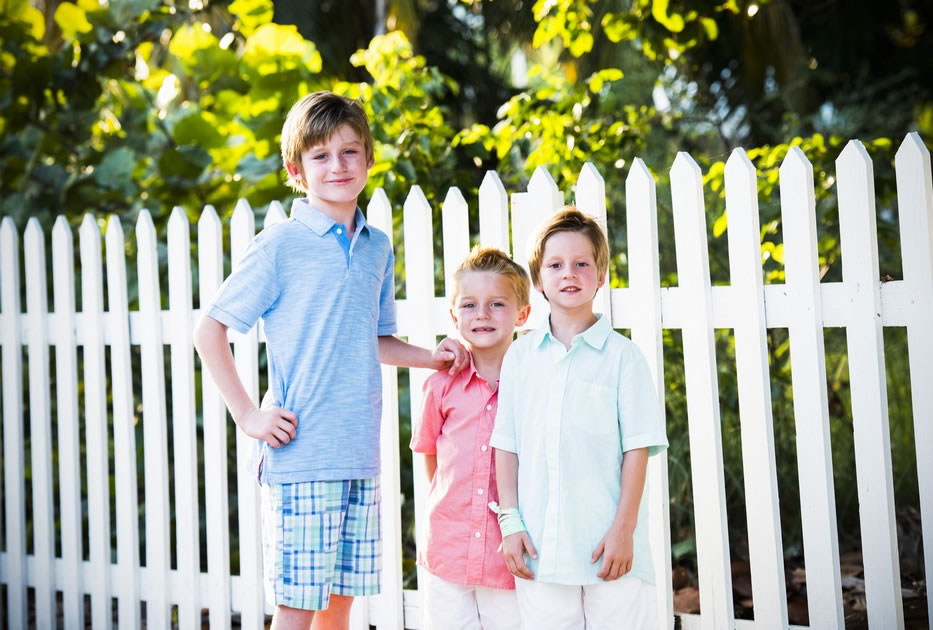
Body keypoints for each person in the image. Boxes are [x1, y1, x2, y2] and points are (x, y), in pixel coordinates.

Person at [193, 91, 468, 630]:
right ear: (297, 169)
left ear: (368, 159)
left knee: (339, 607)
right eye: (320, 156)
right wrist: (249, 416)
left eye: (349, 153)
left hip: (359, 454)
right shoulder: (281, 245)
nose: (337, 166)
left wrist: (430, 360)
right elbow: (209, 331)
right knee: (297, 609)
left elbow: (375, 339)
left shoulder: (376, 247)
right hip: (303, 457)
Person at [490, 207, 668, 629]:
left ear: (601, 274)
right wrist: (510, 522)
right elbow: (507, 444)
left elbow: (637, 450)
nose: (569, 273)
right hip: (541, 552)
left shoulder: (624, 358)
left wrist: (623, 530)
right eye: (555, 265)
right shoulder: (519, 357)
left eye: (582, 263)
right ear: (538, 280)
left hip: (610, 548)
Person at [410, 248, 532, 630]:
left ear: (522, 314)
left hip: (508, 556)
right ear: (453, 316)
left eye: (497, 304)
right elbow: (430, 455)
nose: (482, 314)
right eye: (469, 305)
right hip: (448, 548)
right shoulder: (440, 386)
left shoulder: (532, 384)